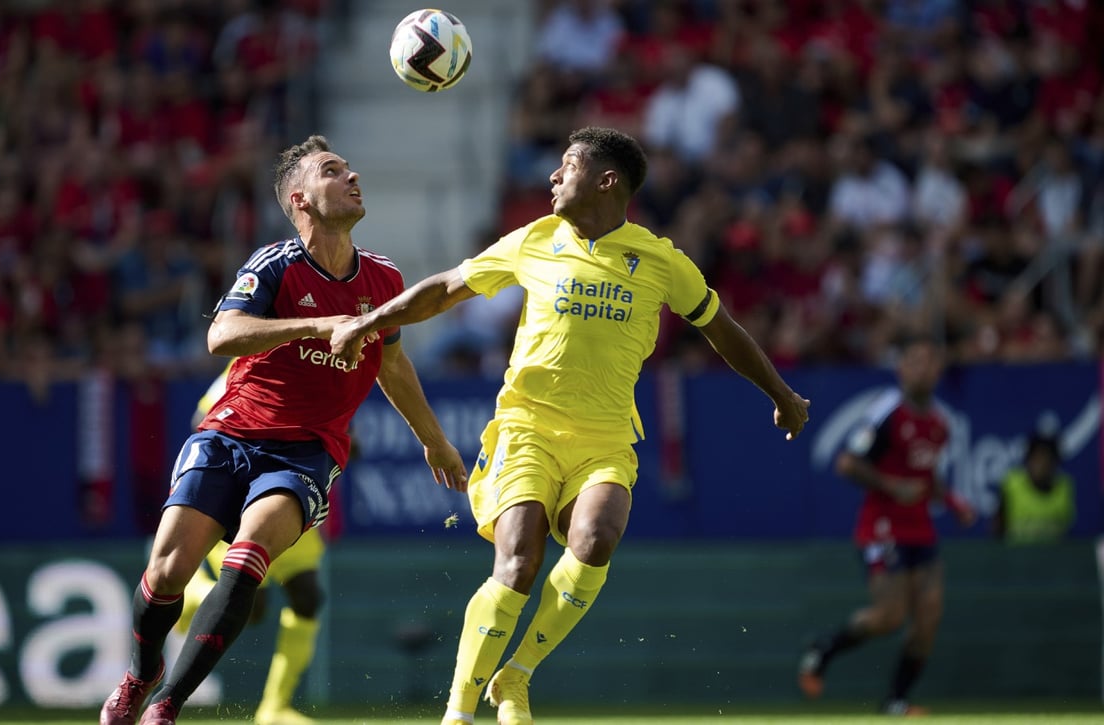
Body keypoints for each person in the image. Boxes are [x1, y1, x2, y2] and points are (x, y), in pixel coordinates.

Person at [330, 127, 811, 725]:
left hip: (605, 437)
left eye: (568, 166)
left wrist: (781, 392)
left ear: (606, 181)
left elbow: (720, 329)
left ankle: (516, 676)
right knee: (519, 561)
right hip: (526, 428)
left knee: (596, 539)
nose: (554, 177)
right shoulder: (536, 239)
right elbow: (445, 289)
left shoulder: (660, 260)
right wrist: (370, 321)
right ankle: (458, 712)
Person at [99, 135, 469, 725]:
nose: (352, 177)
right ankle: (141, 675)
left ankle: (166, 706)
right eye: (333, 171)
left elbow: (392, 364)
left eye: (350, 168)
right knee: (167, 569)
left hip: (306, 451)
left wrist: (433, 438)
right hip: (230, 433)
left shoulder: (384, 278)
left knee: (250, 559)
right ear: (301, 199)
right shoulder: (275, 264)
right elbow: (221, 336)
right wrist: (318, 325)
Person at [798, 335, 976, 716]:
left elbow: (928, 476)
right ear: (900, 369)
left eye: (929, 361)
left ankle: (896, 700)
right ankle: (824, 647)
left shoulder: (940, 424)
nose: (921, 368)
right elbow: (847, 462)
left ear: (938, 370)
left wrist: (954, 503)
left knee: (929, 616)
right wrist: (892, 485)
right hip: (881, 527)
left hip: (920, 527)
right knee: (889, 617)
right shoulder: (886, 412)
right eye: (913, 360)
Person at [174, 360, 331, 725]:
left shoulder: (334, 367)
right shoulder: (255, 359)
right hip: (247, 494)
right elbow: (203, 417)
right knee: (249, 607)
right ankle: (189, 597)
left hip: (293, 490)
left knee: (308, 595)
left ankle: (274, 707)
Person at [994, 431, 1075, 544]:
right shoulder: (1012, 485)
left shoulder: (1064, 488)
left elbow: (1066, 531)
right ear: (1028, 460)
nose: (1041, 465)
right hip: (1016, 559)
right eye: (1036, 459)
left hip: (1052, 559)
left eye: (1047, 459)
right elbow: (997, 528)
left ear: (1054, 463)